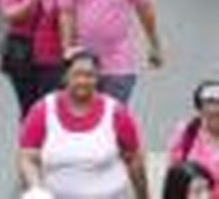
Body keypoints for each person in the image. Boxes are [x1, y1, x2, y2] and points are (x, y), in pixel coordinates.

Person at [18, 49, 149, 199]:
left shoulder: (116, 113)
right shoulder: (43, 111)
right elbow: (27, 157)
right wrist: (36, 188)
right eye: (77, 74)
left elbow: (134, 160)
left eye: (89, 75)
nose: (83, 81)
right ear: (65, 77)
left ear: (98, 78)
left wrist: (143, 196)